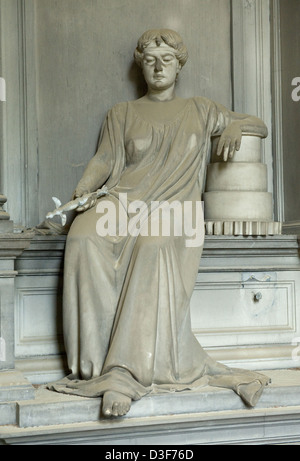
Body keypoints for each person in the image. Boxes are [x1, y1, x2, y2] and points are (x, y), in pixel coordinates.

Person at [48, 29, 270, 417]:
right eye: (150, 59)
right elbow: (103, 161)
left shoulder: (201, 109)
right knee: (83, 237)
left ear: (178, 66)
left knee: (152, 244)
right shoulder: (122, 113)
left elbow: (258, 124)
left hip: (174, 212)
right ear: (140, 65)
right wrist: (80, 196)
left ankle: (124, 373)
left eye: (166, 59)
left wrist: (235, 125)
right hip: (123, 200)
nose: (158, 66)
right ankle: (94, 364)